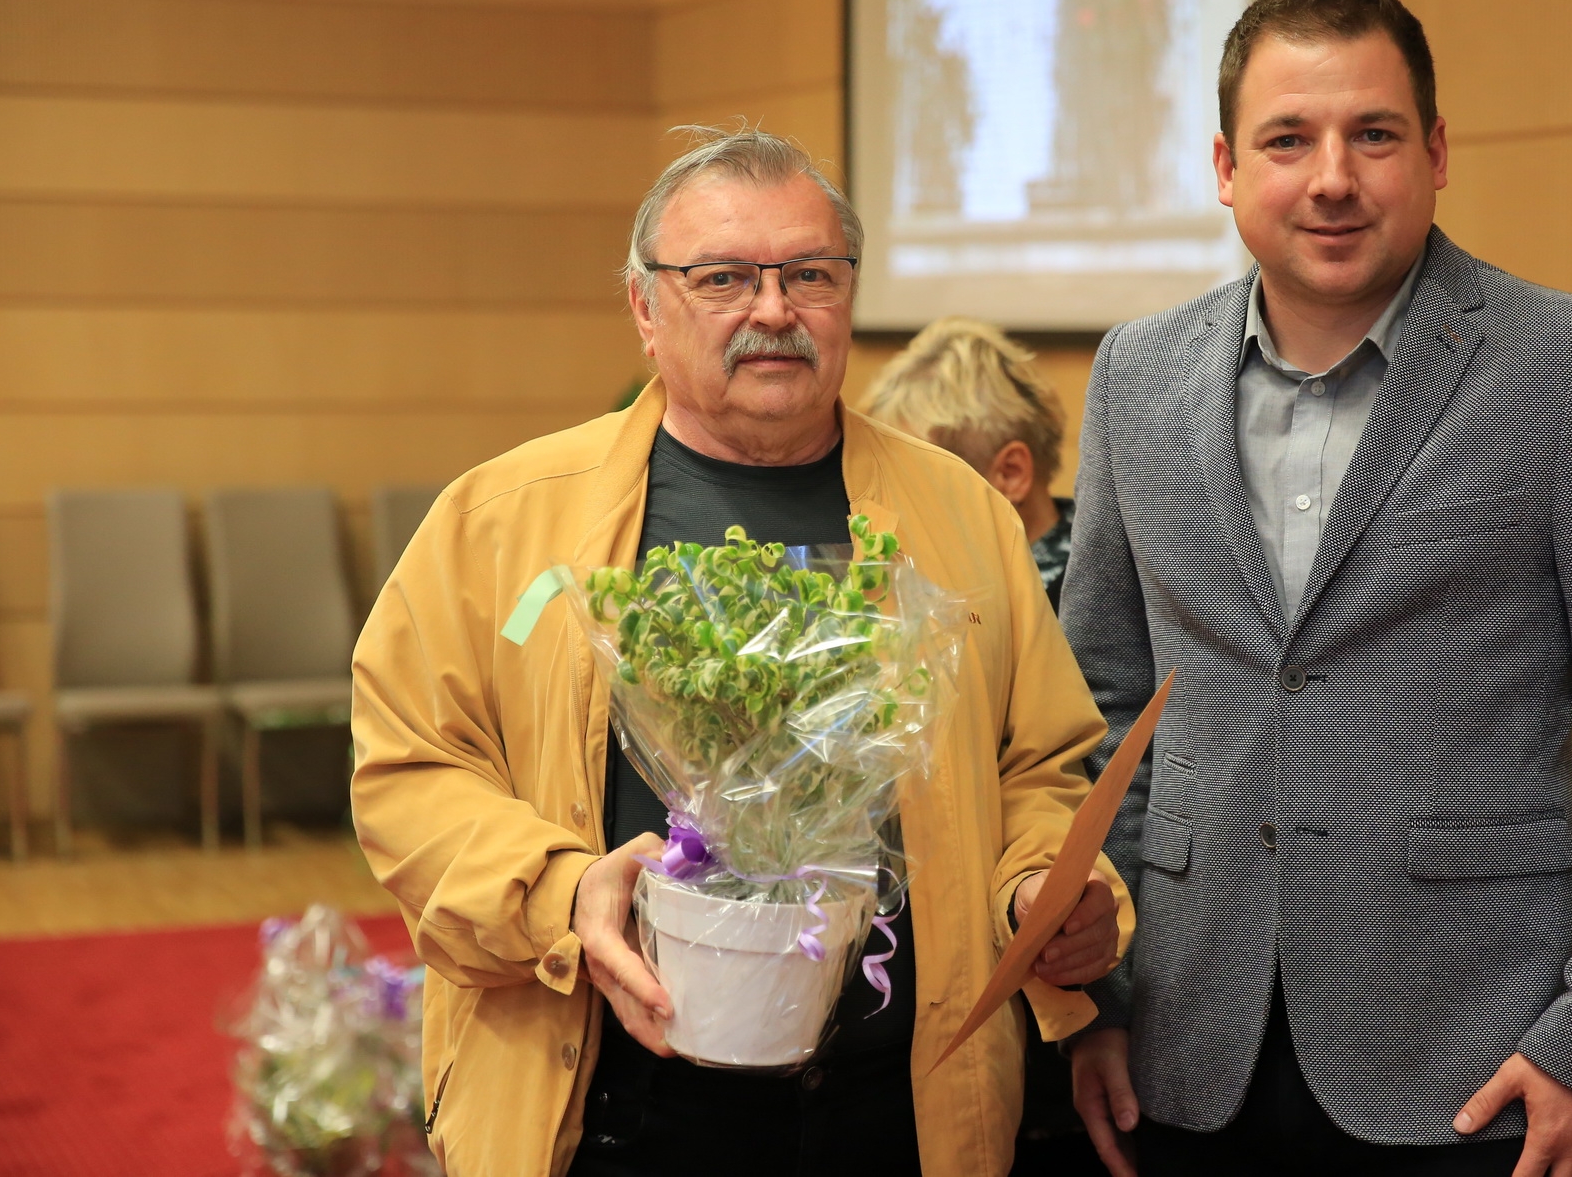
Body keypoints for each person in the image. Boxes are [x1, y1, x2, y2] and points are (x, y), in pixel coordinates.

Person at [351, 127, 1133, 1177]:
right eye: (722, 277)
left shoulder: (962, 517)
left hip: (897, 1113)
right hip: (614, 1109)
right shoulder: (500, 520)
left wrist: (1037, 887)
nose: (773, 309)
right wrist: (559, 892)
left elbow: (1036, 768)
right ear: (645, 307)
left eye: (809, 274)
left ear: (847, 296)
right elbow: (410, 771)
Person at [1062, 0, 1572, 1176]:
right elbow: (1100, 706)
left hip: (1473, 1064)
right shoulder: (1133, 377)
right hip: (1178, 1044)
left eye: (1371, 135)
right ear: (1224, 167)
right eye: (1286, 139)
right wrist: (1091, 997)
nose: (1331, 177)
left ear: (1433, 153)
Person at [862, 319, 1098, 1174]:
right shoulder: (911, 595)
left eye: (926, 471)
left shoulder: (1081, 599)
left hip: (1073, 977)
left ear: (1010, 473)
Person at [861, 318, 1076, 609]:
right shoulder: (914, 579)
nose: (889, 507)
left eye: (912, 482)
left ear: (1010, 474)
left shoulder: (1090, 604)